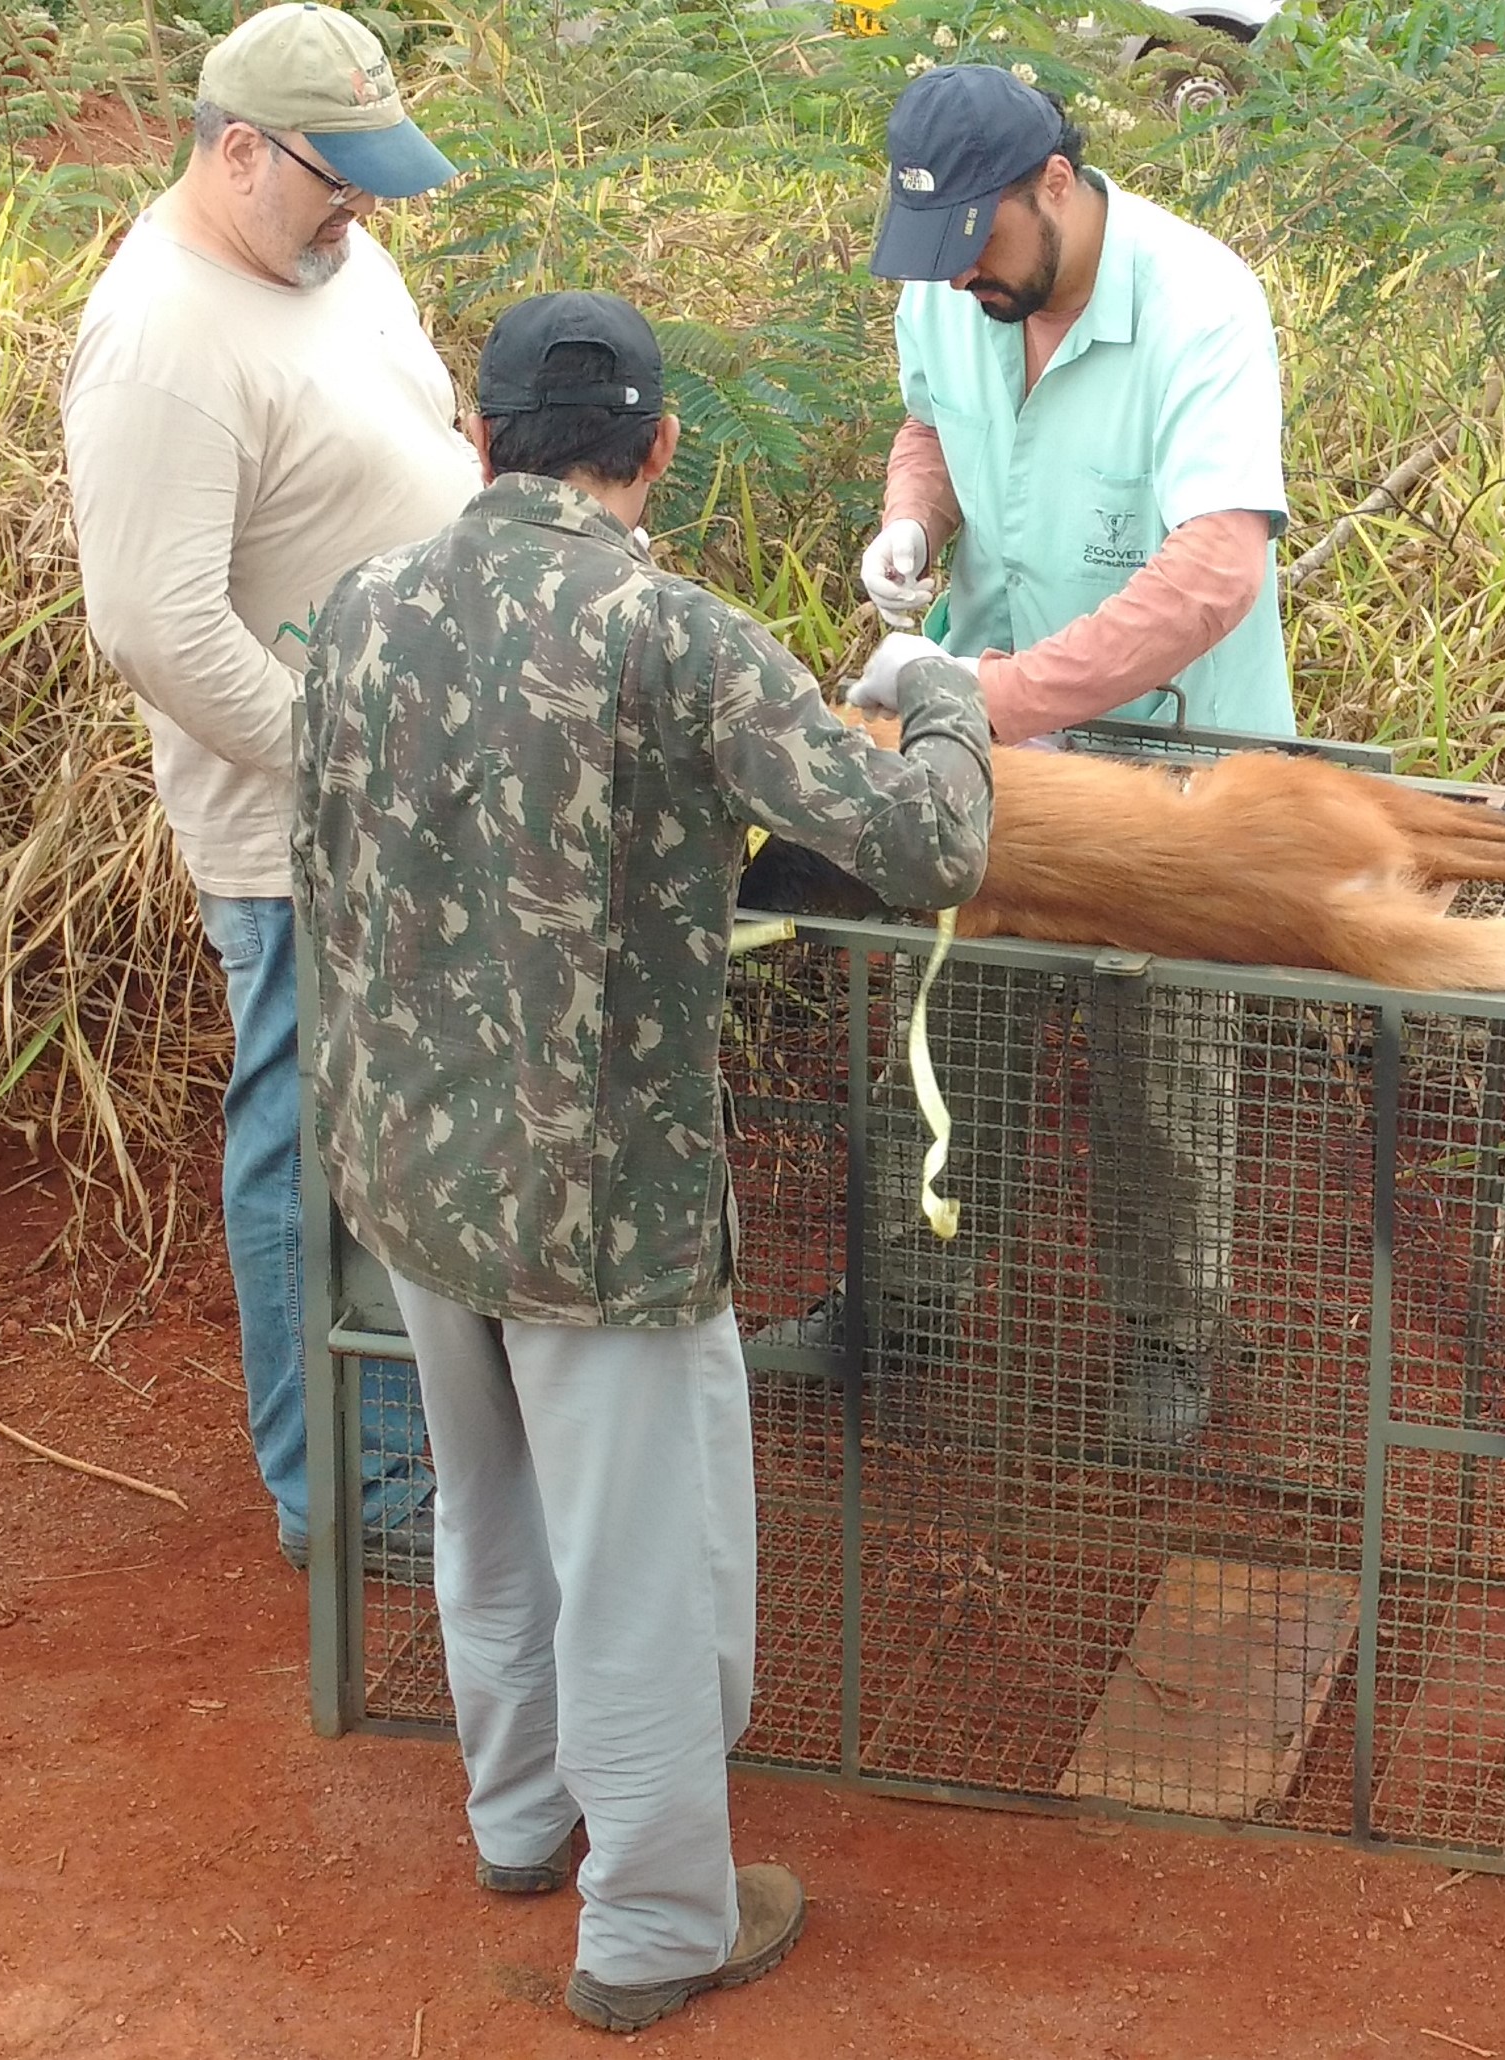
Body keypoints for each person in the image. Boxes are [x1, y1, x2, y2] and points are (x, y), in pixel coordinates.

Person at [294, 290, 992, 2032]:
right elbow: (925, 843)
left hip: (403, 1166)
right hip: (600, 1209)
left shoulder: (360, 613)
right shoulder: (669, 634)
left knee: (490, 1514)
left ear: (479, 441)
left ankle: (520, 1818)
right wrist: (945, 694)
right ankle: (661, 1923)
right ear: (658, 445)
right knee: (641, 1564)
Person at [763, 64, 1292, 1452]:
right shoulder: (948, 282)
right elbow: (928, 421)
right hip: (976, 734)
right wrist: (908, 524)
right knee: (943, 1026)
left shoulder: (1199, 305)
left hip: (1159, 753)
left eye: (980, 247)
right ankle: (904, 1307)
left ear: (1052, 181)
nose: (964, 282)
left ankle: (1171, 1341)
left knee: (1157, 1053)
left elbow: (1211, 575)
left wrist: (996, 692)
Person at [62, 2, 479, 1576]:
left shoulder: (331, 257)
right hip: (305, 830)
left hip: (418, 797)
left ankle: (427, 1447)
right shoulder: (163, 341)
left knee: (407, 1136)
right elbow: (157, 627)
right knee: (314, 1150)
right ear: (235, 151)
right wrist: (354, 765)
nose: (360, 202)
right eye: (332, 172)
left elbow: (420, 434)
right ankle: (353, 1503)